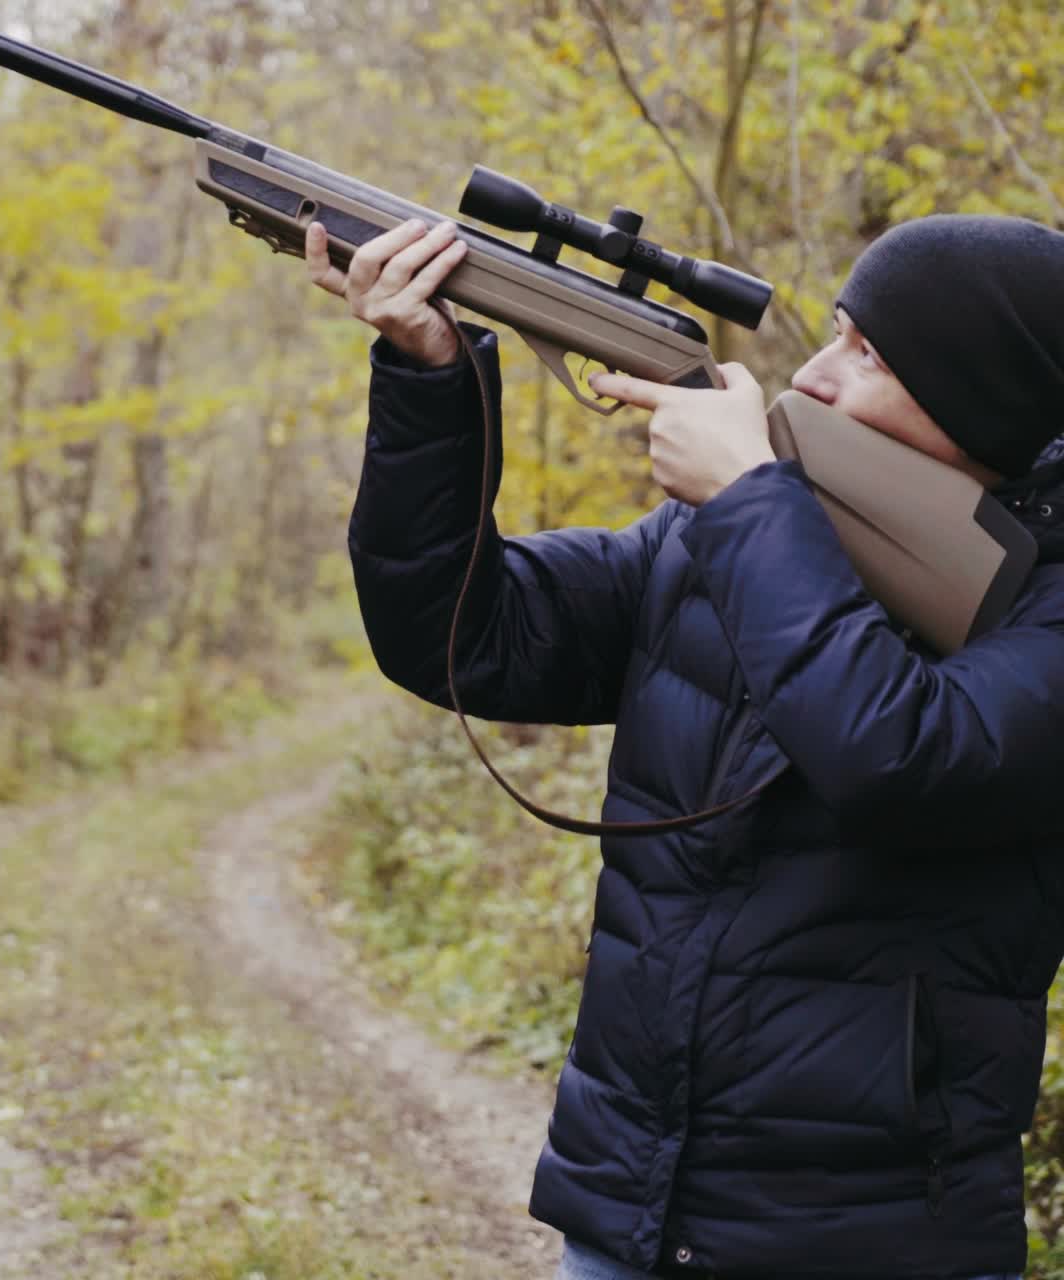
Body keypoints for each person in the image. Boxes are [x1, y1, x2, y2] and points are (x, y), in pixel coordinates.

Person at [306, 211, 1064, 1279]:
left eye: (868, 355)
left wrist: (752, 501)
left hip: (881, 1239)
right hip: (633, 1205)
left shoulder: (1005, 596)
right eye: (837, 332)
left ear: (980, 401)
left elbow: (903, 757)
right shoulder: (754, 531)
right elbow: (470, 640)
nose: (815, 375)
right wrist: (432, 379)